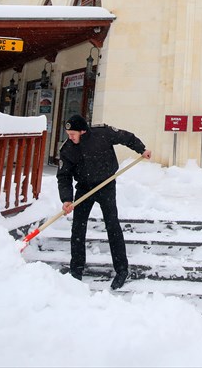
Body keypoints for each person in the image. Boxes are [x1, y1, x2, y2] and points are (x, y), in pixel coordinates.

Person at [56, 113, 152, 290]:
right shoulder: (67, 149)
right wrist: (67, 199)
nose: (70, 138)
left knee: (112, 225)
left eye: (73, 134)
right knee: (78, 226)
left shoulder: (102, 133)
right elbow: (64, 176)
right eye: (69, 134)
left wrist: (141, 149)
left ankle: (122, 270)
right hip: (84, 188)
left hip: (106, 185)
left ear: (83, 131)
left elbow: (125, 137)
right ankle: (76, 270)